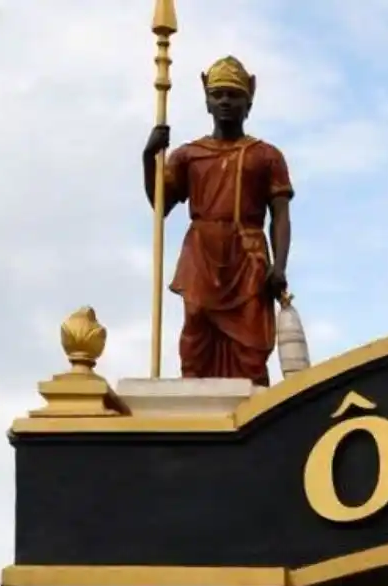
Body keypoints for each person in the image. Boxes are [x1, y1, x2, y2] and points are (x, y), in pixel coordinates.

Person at [142, 55, 293, 385]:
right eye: (218, 94)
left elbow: (280, 214)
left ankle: (255, 405)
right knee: (197, 326)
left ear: (248, 102)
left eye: (234, 95)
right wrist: (149, 157)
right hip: (202, 253)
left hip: (248, 255)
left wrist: (279, 265)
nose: (225, 101)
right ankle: (193, 397)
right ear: (207, 101)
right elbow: (161, 205)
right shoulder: (188, 155)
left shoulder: (266, 156)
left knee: (252, 342)